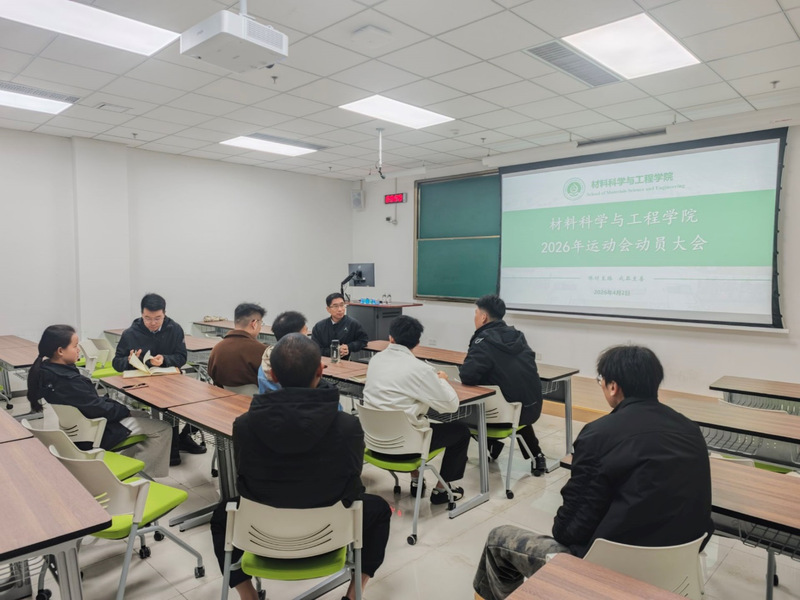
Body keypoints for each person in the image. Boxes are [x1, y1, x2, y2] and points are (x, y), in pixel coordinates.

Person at [473, 345, 714, 600]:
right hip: (676, 569)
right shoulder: (690, 429)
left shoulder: (599, 434)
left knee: (497, 540)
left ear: (613, 387)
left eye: (601, 381)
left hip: (606, 573)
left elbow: (568, 530)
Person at [209, 334, 391, 600]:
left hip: (261, 532)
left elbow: (244, 479)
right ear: (320, 370)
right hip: (329, 533)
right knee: (380, 510)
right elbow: (354, 483)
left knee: (221, 516)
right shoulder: (348, 426)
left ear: (271, 375)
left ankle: (248, 596)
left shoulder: (244, 425)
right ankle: (353, 595)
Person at [27, 324, 173, 477]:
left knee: (144, 416)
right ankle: (143, 477)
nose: (78, 349)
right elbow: (97, 408)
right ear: (60, 351)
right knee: (163, 428)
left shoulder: (47, 371)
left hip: (81, 428)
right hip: (96, 431)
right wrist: (124, 410)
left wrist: (119, 408)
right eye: (75, 346)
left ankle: (131, 465)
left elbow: (91, 403)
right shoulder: (67, 381)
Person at [362, 315, 470, 504]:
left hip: (374, 441)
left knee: (405, 418)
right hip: (406, 446)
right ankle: (442, 491)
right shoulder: (421, 369)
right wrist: (442, 381)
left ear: (390, 337)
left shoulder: (375, 360)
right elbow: (451, 405)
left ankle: (416, 480)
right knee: (461, 431)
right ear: (417, 343)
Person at [459, 294, 547, 476]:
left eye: (476, 314)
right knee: (510, 398)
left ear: (483, 317)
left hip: (501, 415)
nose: (475, 318)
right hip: (531, 407)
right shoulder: (518, 336)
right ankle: (537, 455)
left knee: (462, 408)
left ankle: (471, 450)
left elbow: (467, 376)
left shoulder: (482, 341)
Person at [112, 293, 204, 465]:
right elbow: (116, 363)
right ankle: (166, 447)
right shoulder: (130, 333)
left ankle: (176, 445)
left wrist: (164, 360)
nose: (152, 323)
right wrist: (130, 361)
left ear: (164, 314)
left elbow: (181, 357)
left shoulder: (174, 329)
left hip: (170, 382)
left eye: (157, 318)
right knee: (154, 411)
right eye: (147, 318)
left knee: (183, 406)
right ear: (141, 314)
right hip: (141, 384)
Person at [207, 303, 267, 388]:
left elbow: (212, 375)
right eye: (261, 323)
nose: (260, 327)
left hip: (223, 395)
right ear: (254, 323)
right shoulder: (262, 350)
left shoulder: (217, 349)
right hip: (256, 395)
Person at [256, 310, 308, 394]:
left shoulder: (267, 357)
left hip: (267, 401)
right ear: (294, 337)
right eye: (305, 331)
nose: (307, 335)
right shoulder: (296, 363)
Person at [311, 293, 368, 360]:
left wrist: (348, 347)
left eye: (342, 305)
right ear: (328, 309)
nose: (340, 309)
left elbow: (363, 340)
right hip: (324, 361)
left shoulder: (352, 324)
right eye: (335, 306)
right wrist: (334, 351)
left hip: (345, 362)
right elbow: (314, 349)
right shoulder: (319, 327)